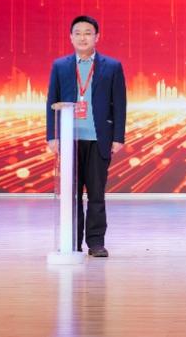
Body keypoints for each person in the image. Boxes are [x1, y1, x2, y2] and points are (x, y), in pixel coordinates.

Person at [46, 15, 127, 258]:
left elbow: (119, 104)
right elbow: (51, 101)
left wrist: (118, 137)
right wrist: (52, 136)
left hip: (98, 139)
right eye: (78, 33)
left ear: (97, 37)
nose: (83, 38)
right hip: (70, 140)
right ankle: (71, 241)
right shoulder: (60, 66)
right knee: (71, 195)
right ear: (71, 37)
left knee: (96, 194)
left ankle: (96, 242)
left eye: (88, 33)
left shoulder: (112, 66)